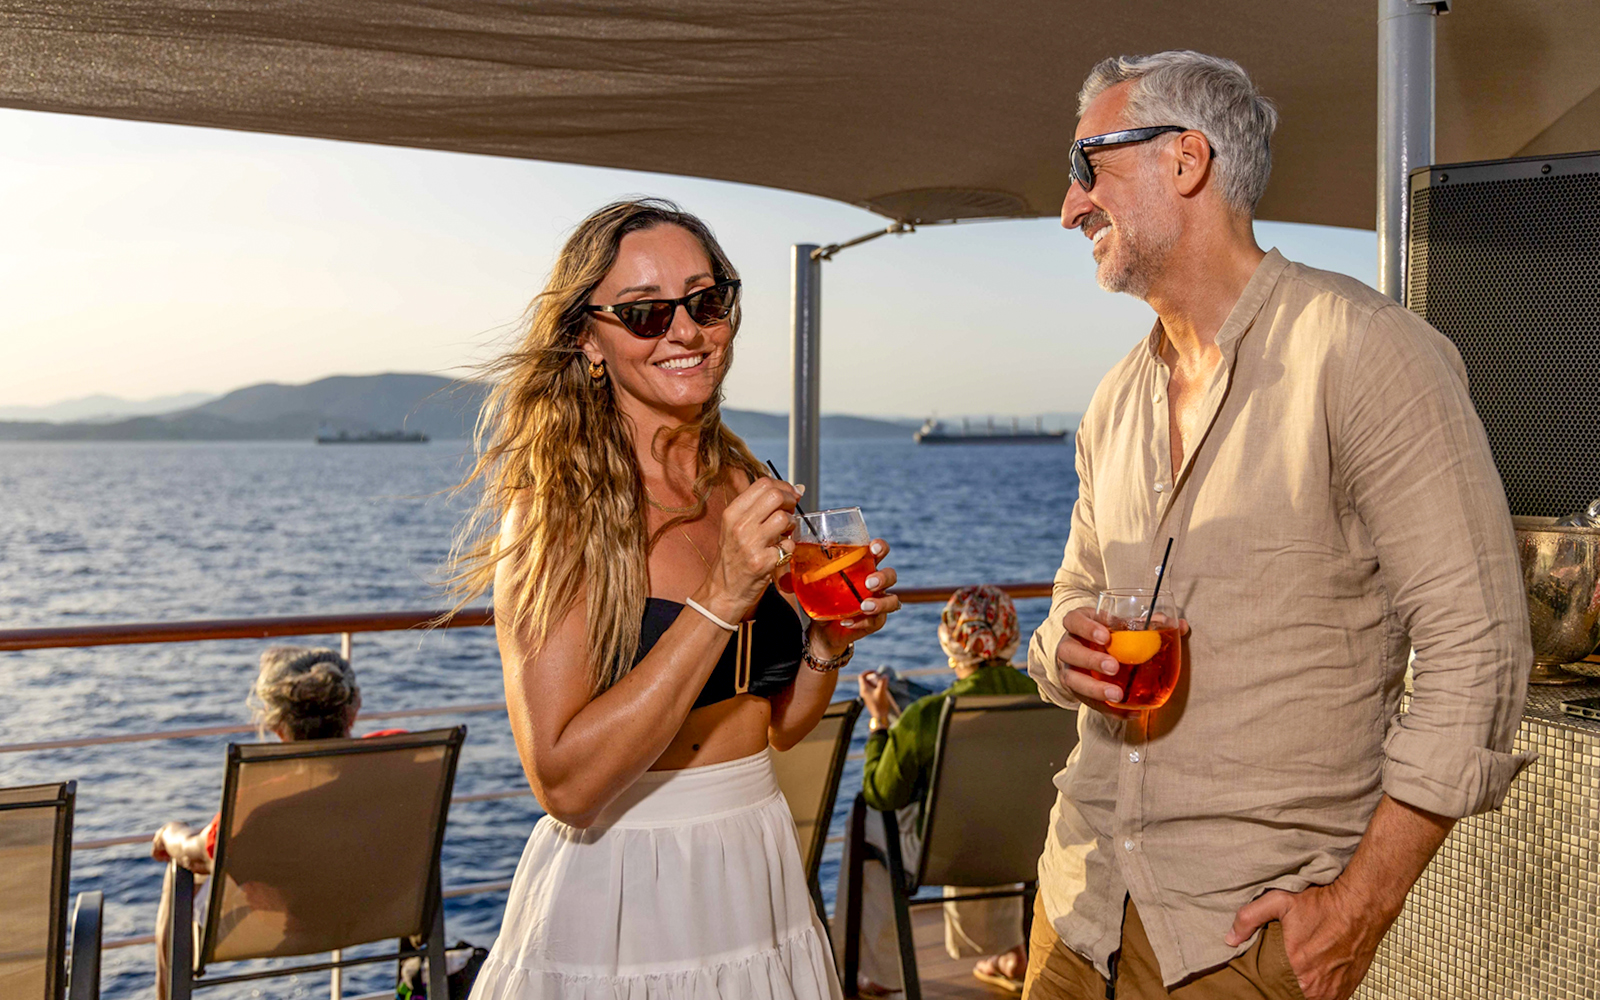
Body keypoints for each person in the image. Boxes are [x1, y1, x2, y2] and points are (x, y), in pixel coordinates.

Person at [1024, 51, 1532, 1000]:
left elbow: (1481, 649)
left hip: (1240, 943)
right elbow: (1067, 605)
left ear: (1186, 162)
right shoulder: (1112, 402)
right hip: (1076, 910)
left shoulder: (1369, 354)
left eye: (1087, 162)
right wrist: (1066, 650)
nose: (1069, 205)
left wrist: (1360, 909)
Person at [448, 199, 901, 1000]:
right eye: (646, 312)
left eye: (706, 299)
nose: (685, 331)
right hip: (628, 883)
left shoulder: (740, 476)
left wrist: (830, 639)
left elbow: (779, 726)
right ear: (588, 339)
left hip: (757, 860)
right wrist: (723, 595)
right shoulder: (560, 511)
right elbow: (566, 785)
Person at [150, 646, 397, 998]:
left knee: (182, 877)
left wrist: (168, 832)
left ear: (276, 725)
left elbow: (193, 852)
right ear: (354, 708)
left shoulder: (254, 808)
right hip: (378, 910)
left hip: (295, 923)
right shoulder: (399, 756)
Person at [854, 585, 1038, 996]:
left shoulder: (928, 716)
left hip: (952, 854)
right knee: (999, 802)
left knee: (867, 820)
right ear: (1011, 637)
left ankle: (881, 975)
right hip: (1030, 849)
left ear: (950, 644)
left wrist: (880, 721)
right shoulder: (1045, 699)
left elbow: (881, 793)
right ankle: (1011, 953)